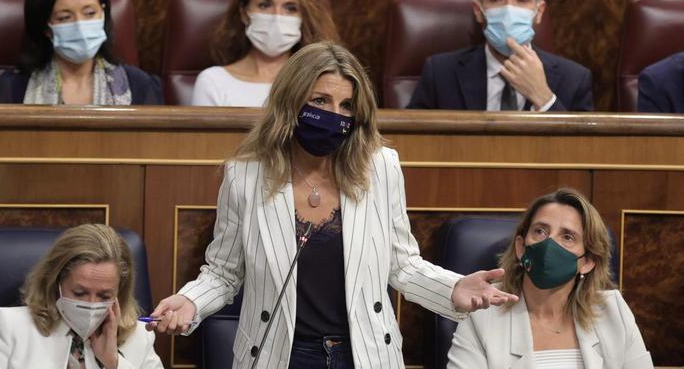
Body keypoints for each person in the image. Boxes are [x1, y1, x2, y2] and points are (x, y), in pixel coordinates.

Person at [147, 42, 518, 368]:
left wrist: (454, 288)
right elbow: (224, 272)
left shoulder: (380, 166)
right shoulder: (244, 176)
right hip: (280, 354)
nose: (335, 115)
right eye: (321, 101)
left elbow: (402, 263)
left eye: (346, 105)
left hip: (363, 353)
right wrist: (190, 301)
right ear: (291, 101)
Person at [448, 188, 653, 369]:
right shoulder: (483, 315)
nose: (549, 244)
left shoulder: (613, 312)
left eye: (567, 236)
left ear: (588, 262)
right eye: (540, 231)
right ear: (521, 247)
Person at [408, 0, 593, 112]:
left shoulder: (574, 79)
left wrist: (543, 97)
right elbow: (412, 140)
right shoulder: (440, 73)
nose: (509, 9)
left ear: (539, 12)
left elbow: (585, 150)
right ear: (479, 11)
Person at [0, 224, 164, 369]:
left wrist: (114, 363)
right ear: (56, 283)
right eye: (80, 293)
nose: (91, 304)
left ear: (118, 293)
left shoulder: (139, 335)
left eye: (104, 295)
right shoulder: (11, 326)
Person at [0, 0, 163, 105]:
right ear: (46, 27)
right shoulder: (14, 87)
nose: (80, 26)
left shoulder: (139, 85)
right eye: (65, 17)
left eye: (89, 13)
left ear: (103, 14)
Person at [190, 0, 339, 107]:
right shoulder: (213, 81)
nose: (277, 17)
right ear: (244, 13)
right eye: (265, 5)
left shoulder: (321, 82)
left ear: (304, 17)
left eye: (290, 8)